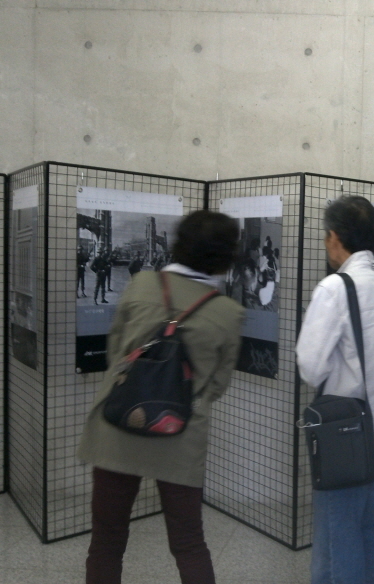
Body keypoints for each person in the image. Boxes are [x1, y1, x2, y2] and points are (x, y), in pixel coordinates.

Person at [77, 210, 244, 584]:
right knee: (188, 543)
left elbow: (116, 351)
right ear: (225, 256)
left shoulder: (142, 285)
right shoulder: (229, 313)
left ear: (179, 245)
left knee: (107, 539)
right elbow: (217, 385)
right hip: (179, 436)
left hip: (117, 427)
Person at [296, 196, 374, 584]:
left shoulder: (335, 289)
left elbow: (310, 369)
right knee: (370, 528)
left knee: (336, 536)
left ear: (333, 237)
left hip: (343, 435)